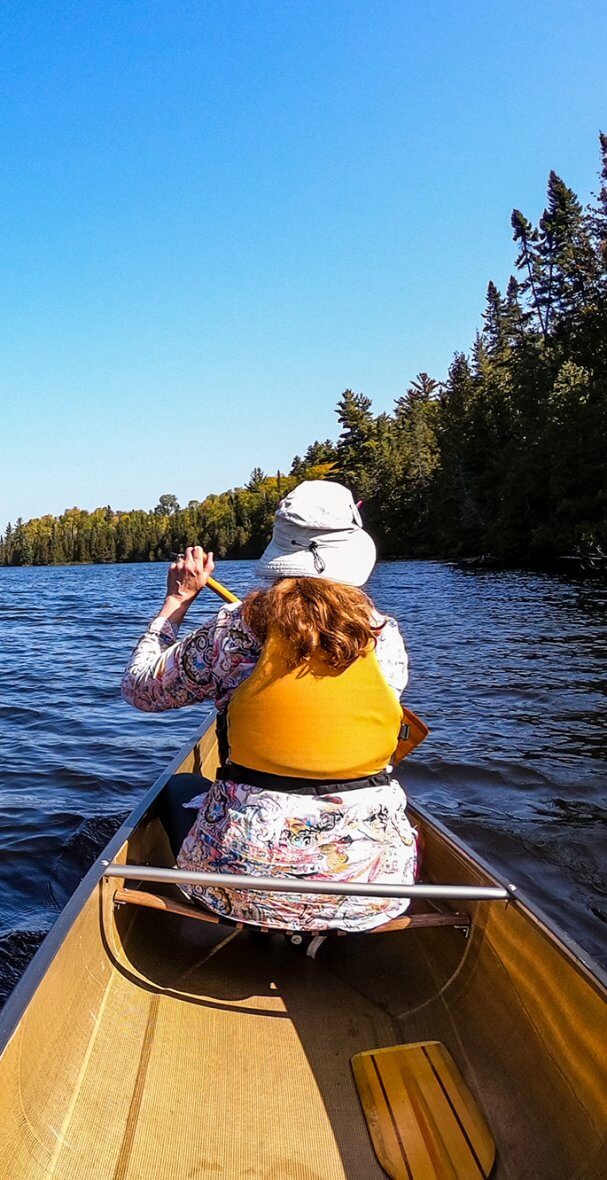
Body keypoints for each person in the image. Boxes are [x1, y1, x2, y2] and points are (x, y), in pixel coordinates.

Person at [121, 481, 418, 933]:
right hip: (372, 891)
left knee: (179, 787)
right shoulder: (385, 636)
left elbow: (140, 689)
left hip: (242, 888)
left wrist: (176, 605)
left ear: (280, 550)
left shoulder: (235, 630)